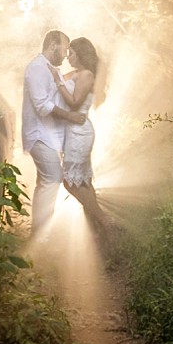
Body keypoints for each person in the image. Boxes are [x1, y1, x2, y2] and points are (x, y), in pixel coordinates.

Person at [21, 29, 84, 235]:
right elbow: (42, 106)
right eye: (65, 48)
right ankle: (40, 237)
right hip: (39, 135)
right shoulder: (37, 69)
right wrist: (70, 117)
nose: (66, 54)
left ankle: (39, 235)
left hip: (49, 136)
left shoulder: (52, 69)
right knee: (52, 179)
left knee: (46, 182)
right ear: (52, 45)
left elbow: (62, 93)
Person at [53, 36, 114, 241]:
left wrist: (57, 83)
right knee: (83, 181)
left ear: (80, 54)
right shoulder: (76, 73)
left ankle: (106, 221)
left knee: (70, 182)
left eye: (71, 52)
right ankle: (98, 228)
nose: (67, 56)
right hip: (72, 131)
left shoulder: (86, 74)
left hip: (79, 131)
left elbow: (74, 103)